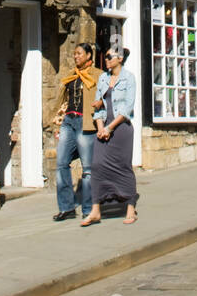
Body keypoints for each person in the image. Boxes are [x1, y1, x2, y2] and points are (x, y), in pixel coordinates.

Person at [83, 47, 138, 226]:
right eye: (105, 56)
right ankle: (96, 210)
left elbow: (127, 107)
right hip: (104, 127)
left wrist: (110, 128)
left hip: (121, 129)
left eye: (109, 56)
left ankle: (130, 208)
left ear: (120, 58)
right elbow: (98, 106)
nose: (106, 59)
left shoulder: (129, 78)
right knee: (97, 166)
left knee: (123, 167)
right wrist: (100, 127)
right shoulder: (103, 78)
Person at [52, 43, 98, 222]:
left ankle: (88, 209)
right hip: (68, 122)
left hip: (86, 123)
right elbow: (64, 100)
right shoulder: (71, 75)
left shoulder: (98, 75)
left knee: (87, 169)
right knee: (61, 163)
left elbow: (105, 97)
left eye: (79, 53)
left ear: (88, 55)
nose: (76, 56)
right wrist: (57, 119)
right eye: (74, 54)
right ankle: (66, 207)